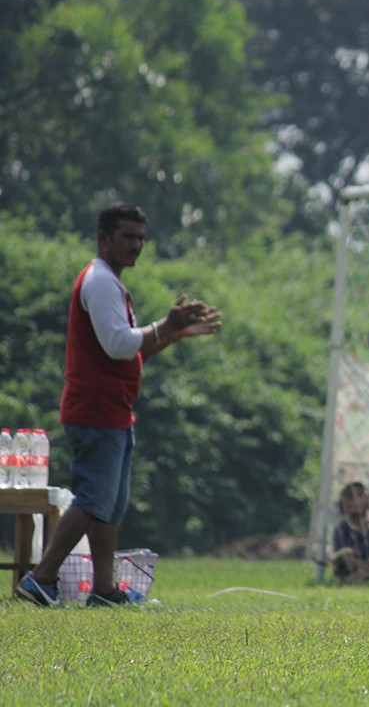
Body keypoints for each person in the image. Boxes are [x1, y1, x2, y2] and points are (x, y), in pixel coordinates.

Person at [17, 204, 222, 608]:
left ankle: (104, 590)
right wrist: (164, 325)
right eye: (127, 236)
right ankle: (40, 578)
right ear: (103, 237)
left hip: (113, 409)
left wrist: (170, 336)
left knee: (110, 505)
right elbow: (118, 343)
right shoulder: (100, 282)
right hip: (95, 410)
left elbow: (127, 351)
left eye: (141, 238)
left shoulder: (110, 282)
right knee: (94, 499)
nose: (136, 245)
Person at [330, 482, 369, 584]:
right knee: (360, 575)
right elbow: (346, 557)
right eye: (350, 497)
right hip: (355, 573)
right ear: (343, 504)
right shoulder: (343, 529)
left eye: (360, 495)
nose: (356, 501)